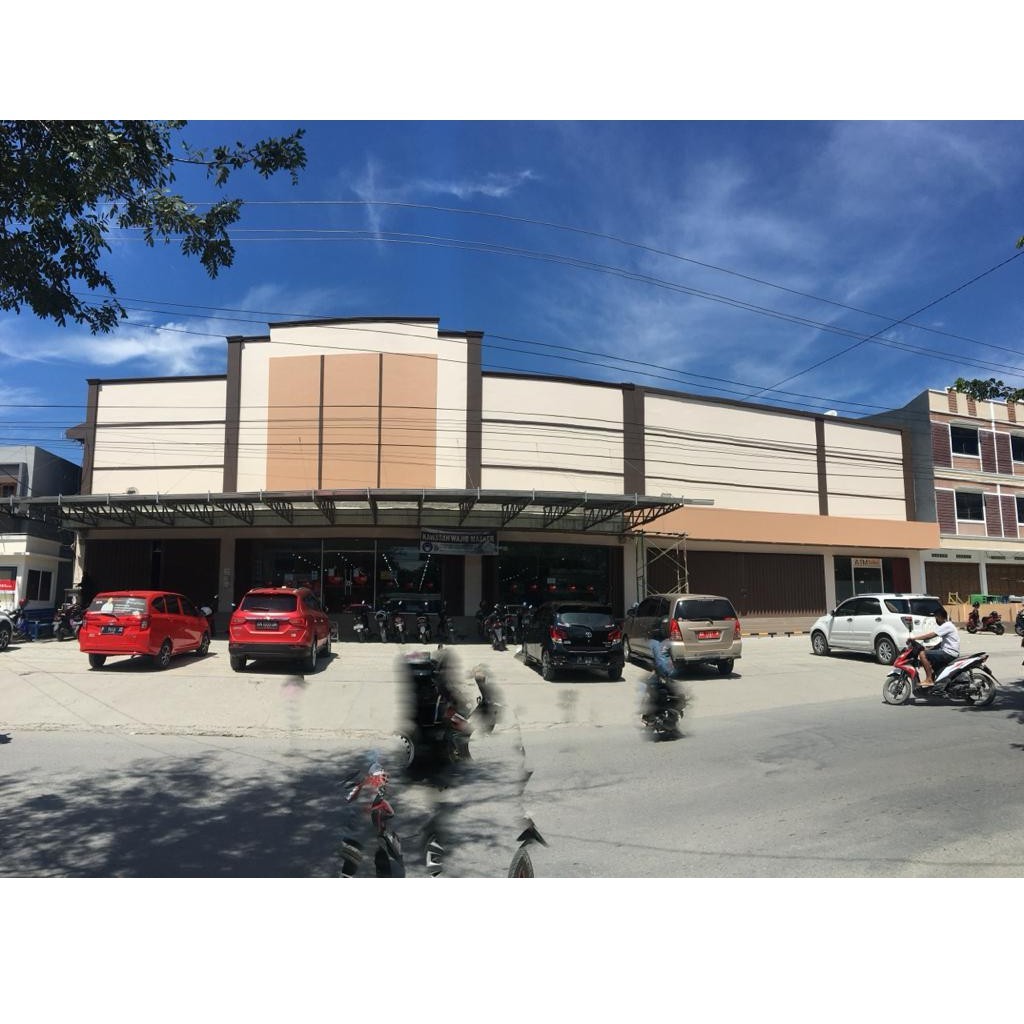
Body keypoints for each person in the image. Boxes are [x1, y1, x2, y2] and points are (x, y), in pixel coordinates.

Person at [912, 607, 960, 690]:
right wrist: (930, 649)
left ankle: (929, 679)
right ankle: (938, 683)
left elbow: (932, 635)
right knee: (930, 655)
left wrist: (915, 638)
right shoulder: (949, 625)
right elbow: (943, 643)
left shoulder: (946, 625)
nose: (936, 620)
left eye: (936, 618)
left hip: (949, 653)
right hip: (949, 652)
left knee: (922, 654)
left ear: (940, 617)